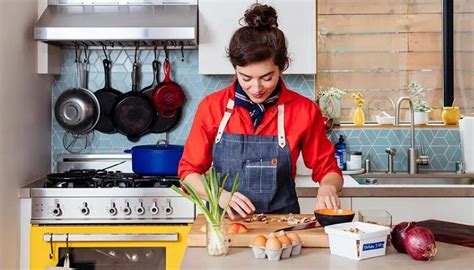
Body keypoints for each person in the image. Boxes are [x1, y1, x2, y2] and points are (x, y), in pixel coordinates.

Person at [178, 3, 343, 220]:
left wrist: (328, 187)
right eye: (245, 78)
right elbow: (188, 173)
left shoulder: (304, 110)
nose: (256, 88)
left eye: (267, 78)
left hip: (283, 226)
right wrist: (219, 195)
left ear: (282, 66)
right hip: (226, 225)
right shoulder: (212, 107)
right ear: (235, 69)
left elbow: (328, 169)